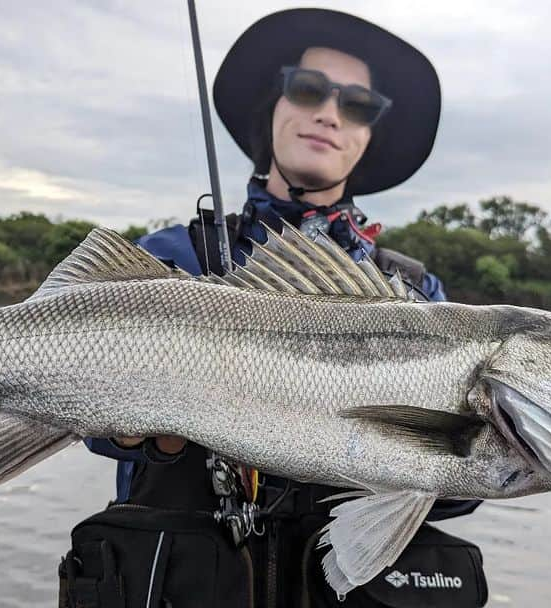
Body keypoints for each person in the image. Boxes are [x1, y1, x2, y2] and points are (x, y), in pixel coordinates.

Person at [62, 9, 487, 608]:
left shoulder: (417, 293)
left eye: (359, 106)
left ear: (368, 138)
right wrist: (134, 434)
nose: (330, 113)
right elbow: (73, 400)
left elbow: (463, 487)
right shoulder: (173, 256)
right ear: (274, 107)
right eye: (308, 89)